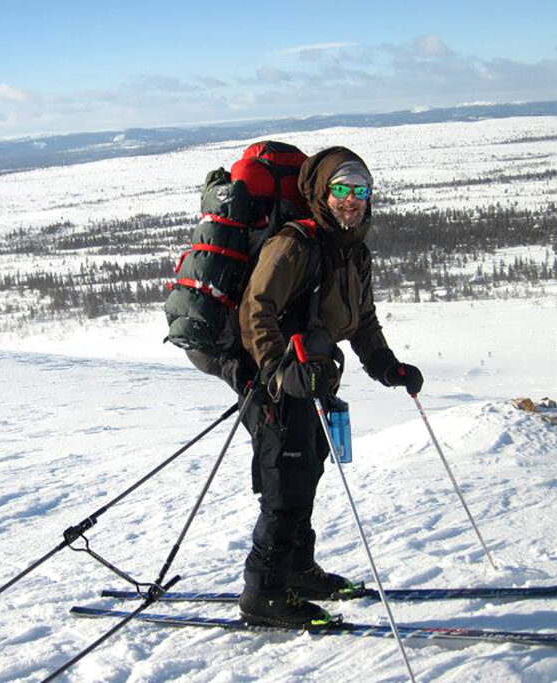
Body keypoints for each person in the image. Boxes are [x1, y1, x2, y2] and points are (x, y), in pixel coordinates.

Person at [236, 146, 424, 627]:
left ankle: (297, 571)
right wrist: (280, 370)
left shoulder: (352, 248)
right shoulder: (294, 245)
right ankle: (263, 593)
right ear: (322, 192)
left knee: (309, 472)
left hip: (316, 379)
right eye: (341, 189)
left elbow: (361, 320)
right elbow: (255, 312)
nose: (351, 199)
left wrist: (387, 366)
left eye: (360, 190)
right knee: (286, 486)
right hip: (278, 383)